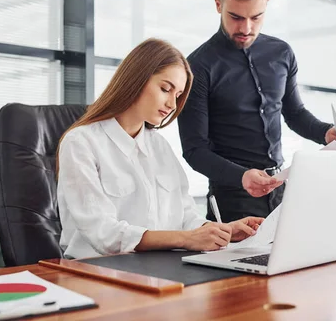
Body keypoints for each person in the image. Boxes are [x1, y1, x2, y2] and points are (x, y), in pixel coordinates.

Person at [56, 38, 263, 259]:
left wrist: (221, 231)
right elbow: (103, 233)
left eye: (178, 95)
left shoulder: (159, 146)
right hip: (95, 270)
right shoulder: (81, 143)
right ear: (137, 78)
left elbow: (185, 215)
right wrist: (186, 239)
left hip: (157, 267)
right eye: (165, 89)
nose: (172, 105)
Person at [178, 0, 336, 222]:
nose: (246, 28)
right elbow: (195, 150)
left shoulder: (282, 53)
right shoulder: (197, 66)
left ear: (267, 3)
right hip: (232, 197)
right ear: (218, 5)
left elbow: (295, 113)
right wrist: (242, 177)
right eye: (236, 17)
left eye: (256, 17)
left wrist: (325, 132)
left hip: (282, 189)